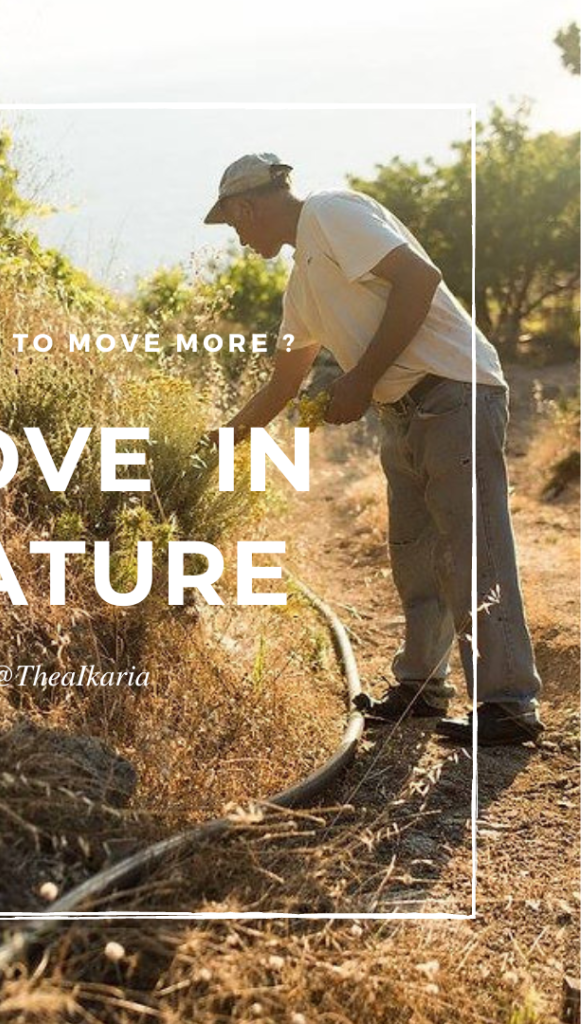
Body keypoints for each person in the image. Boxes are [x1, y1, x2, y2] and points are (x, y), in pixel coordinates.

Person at [204, 152, 544, 746]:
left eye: (233, 224)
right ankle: (422, 688)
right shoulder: (301, 287)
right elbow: (283, 384)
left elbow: (419, 280)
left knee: (473, 547)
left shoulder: (334, 213)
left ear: (247, 205)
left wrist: (360, 379)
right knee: (415, 555)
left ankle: (509, 704)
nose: (237, 237)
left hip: (455, 391)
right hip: (403, 411)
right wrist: (217, 445)